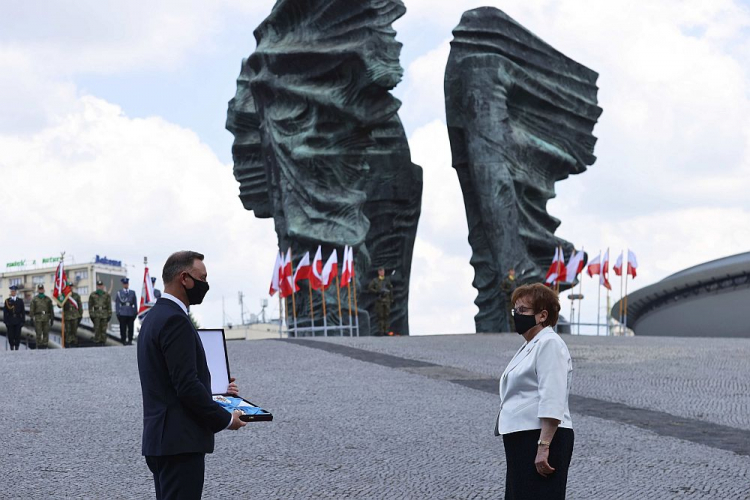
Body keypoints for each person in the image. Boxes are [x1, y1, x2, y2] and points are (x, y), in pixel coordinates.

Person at [137, 251, 246, 499]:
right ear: (184, 278)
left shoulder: (153, 318)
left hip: (161, 441)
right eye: (202, 278)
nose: (205, 285)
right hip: (180, 444)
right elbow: (186, 386)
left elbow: (167, 378)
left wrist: (216, 386)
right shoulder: (176, 320)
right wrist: (227, 419)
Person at [494, 283, 573, 500]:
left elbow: (552, 397)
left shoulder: (549, 343)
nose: (517, 315)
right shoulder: (531, 344)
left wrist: (544, 445)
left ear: (542, 315)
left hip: (540, 438)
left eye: (522, 311)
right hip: (523, 438)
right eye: (515, 310)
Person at [367, 267, 393, 336]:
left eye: (383, 271)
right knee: (380, 316)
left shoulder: (387, 280)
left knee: (386, 316)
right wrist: (377, 292)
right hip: (379, 300)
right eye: (380, 271)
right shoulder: (375, 280)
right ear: (378, 272)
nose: (382, 273)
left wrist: (391, 299)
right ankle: (381, 331)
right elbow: (370, 288)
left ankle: (386, 331)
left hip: (387, 300)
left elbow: (390, 290)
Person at [30, 284, 54, 349]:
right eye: (39, 289)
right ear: (38, 290)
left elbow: (51, 309)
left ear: (44, 290)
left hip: (46, 317)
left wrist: (52, 318)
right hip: (38, 318)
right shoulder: (34, 299)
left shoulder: (48, 299)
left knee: (46, 332)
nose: (41, 290)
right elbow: (32, 309)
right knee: (38, 332)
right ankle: (39, 345)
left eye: (42, 289)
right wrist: (31, 318)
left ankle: (45, 344)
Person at [89, 280, 112, 346]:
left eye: (101, 286)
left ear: (103, 286)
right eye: (98, 286)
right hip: (96, 314)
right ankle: (97, 342)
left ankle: (103, 342)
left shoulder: (106, 295)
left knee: (104, 330)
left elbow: (109, 306)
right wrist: (91, 314)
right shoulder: (93, 295)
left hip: (104, 314)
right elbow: (90, 306)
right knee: (97, 329)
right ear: (96, 286)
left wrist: (109, 314)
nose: (100, 287)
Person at [116, 277, 137, 345]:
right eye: (124, 284)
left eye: (127, 283)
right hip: (122, 312)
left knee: (131, 327)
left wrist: (135, 312)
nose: (126, 285)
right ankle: (123, 340)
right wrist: (118, 313)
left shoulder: (132, 292)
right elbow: (117, 303)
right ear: (123, 284)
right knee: (123, 327)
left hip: (130, 312)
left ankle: (130, 340)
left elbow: (135, 303)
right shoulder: (119, 293)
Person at [3, 285, 25, 350]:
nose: (13, 292)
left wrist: (23, 321)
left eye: (14, 291)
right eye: (12, 291)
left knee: (17, 334)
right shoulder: (7, 301)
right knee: (11, 335)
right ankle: (12, 346)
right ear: (11, 292)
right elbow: (5, 312)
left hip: (18, 320)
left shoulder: (20, 301)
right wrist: (6, 321)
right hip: (10, 320)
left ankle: (17, 346)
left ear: (16, 292)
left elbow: (23, 311)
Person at [62, 282, 83, 348]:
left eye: (71, 286)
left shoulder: (76, 296)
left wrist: (80, 315)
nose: (70, 288)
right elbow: (59, 306)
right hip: (67, 316)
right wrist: (60, 298)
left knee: (74, 332)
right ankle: (68, 345)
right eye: (69, 286)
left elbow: (80, 306)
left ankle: (74, 345)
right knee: (68, 331)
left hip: (75, 316)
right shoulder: (64, 296)